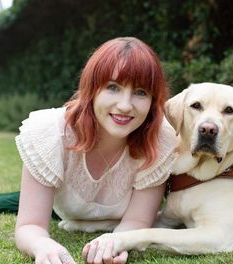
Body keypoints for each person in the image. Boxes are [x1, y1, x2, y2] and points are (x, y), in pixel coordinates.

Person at [14, 37, 177, 264]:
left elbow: (138, 221)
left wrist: (115, 244)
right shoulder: (50, 133)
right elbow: (29, 226)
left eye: (140, 92)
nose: (124, 105)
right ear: (91, 89)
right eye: (113, 87)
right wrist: (42, 245)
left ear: (153, 100)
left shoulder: (159, 140)